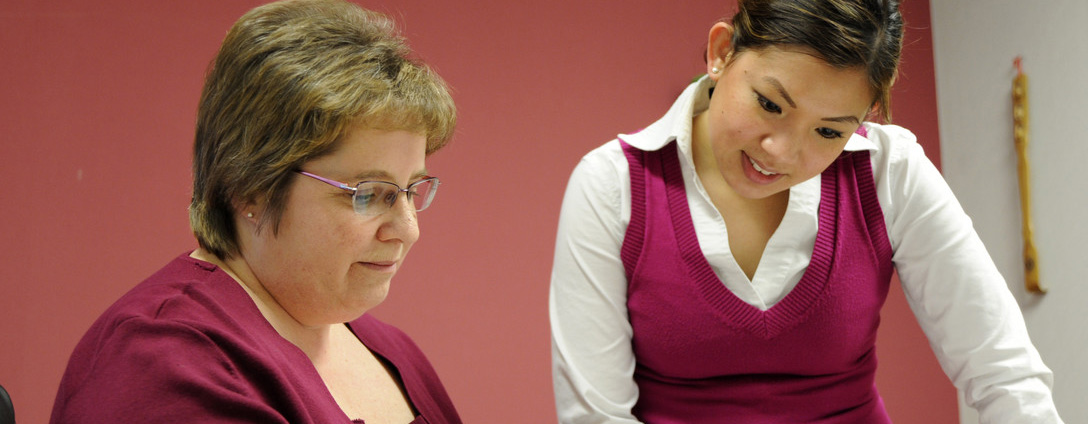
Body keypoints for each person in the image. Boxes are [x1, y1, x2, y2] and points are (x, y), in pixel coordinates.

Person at [549, 0, 1064, 422]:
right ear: (722, 52)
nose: (781, 152)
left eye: (828, 132)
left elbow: (1004, 376)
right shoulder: (613, 188)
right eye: (770, 104)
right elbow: (597, 416)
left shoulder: (889, 170)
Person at [50, 1, 461, 422]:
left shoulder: (391, 350)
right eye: (369, 193)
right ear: (250, 189)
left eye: (413, 188)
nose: (407, 230)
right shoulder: (166, 364)